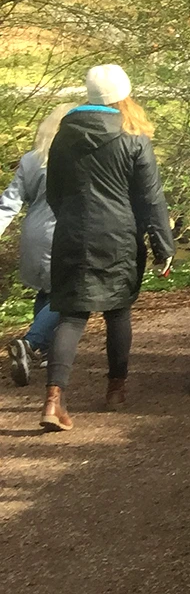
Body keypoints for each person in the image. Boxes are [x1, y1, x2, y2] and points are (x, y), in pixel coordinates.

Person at [41, 65, 174, 431]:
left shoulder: (63, 136)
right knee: (117, 311)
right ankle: (116, 389)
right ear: (124, 94)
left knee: (71, 316)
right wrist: (164, 247)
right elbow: (150, 199)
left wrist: (72, 219)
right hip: (118, 236)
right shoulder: (133, 138)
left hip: (72, 232)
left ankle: (53, 399)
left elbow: (54, 193)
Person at [3, 104, 75, 387]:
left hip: (32, 232)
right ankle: (31, 343)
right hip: (61, 231)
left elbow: (9, 201)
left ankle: (45, 350)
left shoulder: (31, 160)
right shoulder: (73, 159)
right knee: (69, 292)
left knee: (48, 289)